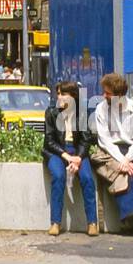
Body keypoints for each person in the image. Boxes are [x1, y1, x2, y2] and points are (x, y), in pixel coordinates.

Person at [91, 72, 133, 235]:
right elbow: (105, 140)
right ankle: (128, 217)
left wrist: (127, 159)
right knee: (121, 173)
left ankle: (128, 218)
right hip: (110, 151)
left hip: (131, 150)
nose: (103, 96)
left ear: (119, 95)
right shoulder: (101, 109)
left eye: (107, 93)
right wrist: (122, 161)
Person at [42, 81, 98, 237]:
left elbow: (86, 139)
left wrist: (78, 158)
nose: (59, 97)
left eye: (63, 94)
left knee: (87, 178)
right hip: (57, 152)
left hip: (77, 152)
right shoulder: (51, 112)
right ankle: (55, 223)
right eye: (58, 93)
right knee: (58, 177)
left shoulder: (82, 113)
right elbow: (49, 141)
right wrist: (66, 156)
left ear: (73, 96)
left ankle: (92, 223)